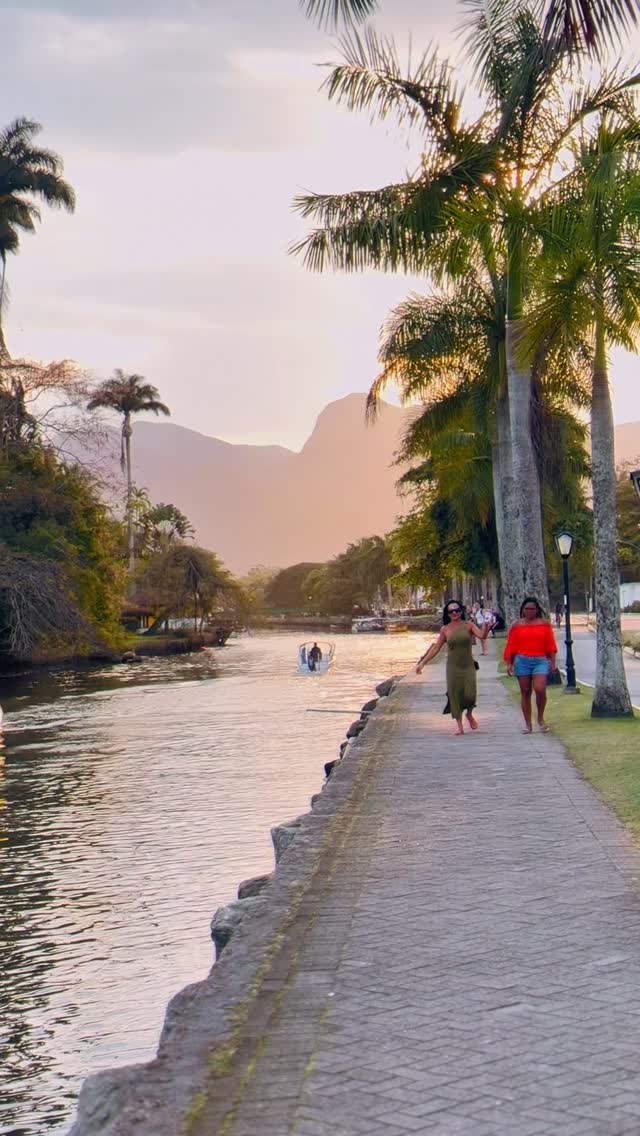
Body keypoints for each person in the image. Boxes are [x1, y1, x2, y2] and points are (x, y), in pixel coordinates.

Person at [416, 601, 493, 736]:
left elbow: (482, 636)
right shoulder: (445, 629)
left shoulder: (469, 625)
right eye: (451, 611)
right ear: (448, 614)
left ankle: (469, 714)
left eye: (457, 610)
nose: (455, 613)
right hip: (453, 667)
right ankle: (459, 726)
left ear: (461, 611)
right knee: (455, 695)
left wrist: (486, 627)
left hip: (468, 665)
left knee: (470, 694)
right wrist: (423, 663)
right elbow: (436, 648)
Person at [503, 597, 558, 734]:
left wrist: (552, 662)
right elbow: (511, 645)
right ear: (522, 610)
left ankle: (540, 718)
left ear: (537, 610)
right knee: (525, 691)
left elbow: (550, 645)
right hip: (522, 661)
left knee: (540, 689)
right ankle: (528, 724)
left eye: (532, 609)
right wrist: (509, 663)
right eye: (526, 608)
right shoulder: (517, 625)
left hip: (540, 660)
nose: (529, 611)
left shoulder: (544, 624)